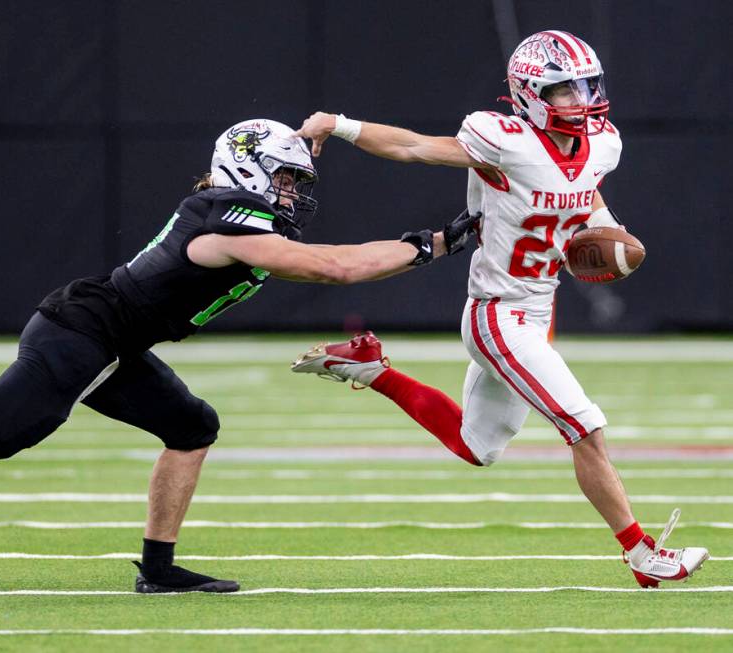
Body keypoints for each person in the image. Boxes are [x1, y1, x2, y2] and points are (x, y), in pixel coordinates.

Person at [0, 118, 479, 593]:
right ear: (250, 170)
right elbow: (333, 268)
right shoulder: (230, 216)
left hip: (110, 339)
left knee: (193, 423)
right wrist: (431, 244)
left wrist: (321, 136)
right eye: (285, 179)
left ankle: (158, 569)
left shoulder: (233, 205)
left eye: (296, 182)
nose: (293, 192)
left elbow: (320, 252)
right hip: (80, 335)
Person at [289, 31, 709, 588]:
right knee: (585, 427)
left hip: (539, 309)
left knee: (477, 446)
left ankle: (370, 368)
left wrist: (607, 230)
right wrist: (338, 124)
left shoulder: (602, 142)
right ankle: (641, 553)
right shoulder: (503, 140)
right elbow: (414, 146)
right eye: (563, 90)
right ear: (531, 94)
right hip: (498, 313)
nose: (580, 99)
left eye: (586, 85)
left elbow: (586, 193)